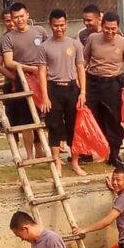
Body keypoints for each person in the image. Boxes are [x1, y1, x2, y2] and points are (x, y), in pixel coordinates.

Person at [37, 9, 87, 176]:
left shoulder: (75, 44)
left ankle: (74, 161)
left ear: (66, 24)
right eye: (55, 26)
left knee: (74, 126)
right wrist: (44, 96)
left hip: (72, 88)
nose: (59, 28)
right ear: (50, 25)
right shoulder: (44, 47)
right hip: (53, 89)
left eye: (62, 25)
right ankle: (57, 161)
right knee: (54, 125)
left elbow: (80, 68)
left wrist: (83, 92)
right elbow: (42, 73)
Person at [83, 12, 124, 168]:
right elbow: (84, 60)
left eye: (113, 29)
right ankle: (89, 152)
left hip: (113, 83)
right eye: (107, 28)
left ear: (117, 27)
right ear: (102, 25)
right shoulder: (93, 38)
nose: (110, 32)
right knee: (91, 117)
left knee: (113, 119)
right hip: (92, 82)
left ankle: (114, 154)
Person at [1, 2, 48, 161]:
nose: (19, 20)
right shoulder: (8, 38)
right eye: (16, 18)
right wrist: (29, 68)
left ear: (27, 15)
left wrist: (41, 70)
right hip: (22, 80)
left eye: (22, 16)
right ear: (12, 19)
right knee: (26, 119)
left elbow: (49, 50)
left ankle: (42, 149)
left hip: (42, 78)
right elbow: (8, 62)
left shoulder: (40, 31)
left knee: (43, 115)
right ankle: (29, 154)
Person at [0, 9, 15, 95]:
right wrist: (14, 78)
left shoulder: (29, 36)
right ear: (3, 22)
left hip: (34, 80)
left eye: (13, 19)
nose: (12, 23)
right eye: (8, 21)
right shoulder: (0, 42)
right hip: (11, 84)